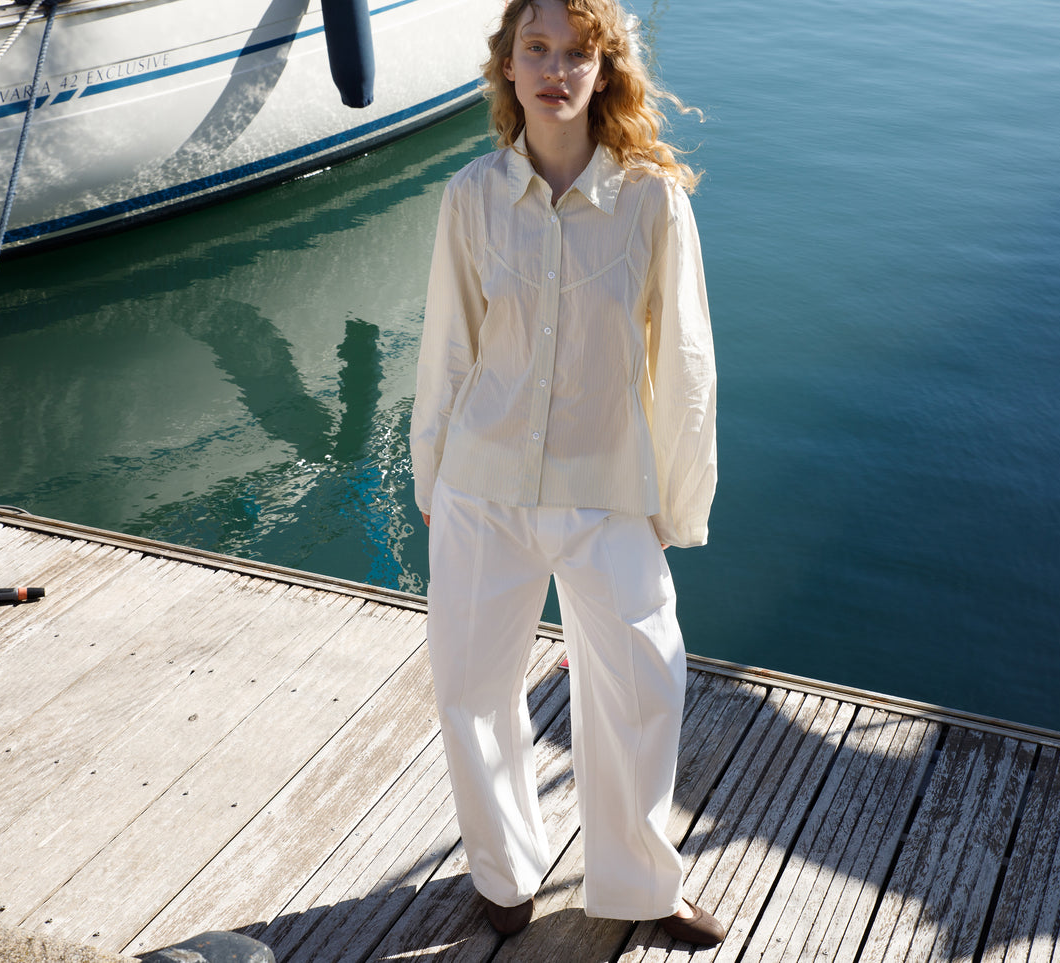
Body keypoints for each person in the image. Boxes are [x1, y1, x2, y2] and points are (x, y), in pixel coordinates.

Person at [409, 0, 721, 946]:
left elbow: (685, 358)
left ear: (603, 67)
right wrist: (434, 486)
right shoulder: (471, 195)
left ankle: (636, 884)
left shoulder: (650, 197)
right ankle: (502, 874)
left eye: (575, 52)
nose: (554, 69)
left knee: (642, 683)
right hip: (481, 484)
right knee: (472, 685)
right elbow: (447, 353)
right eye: (534, 49)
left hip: (606, 486)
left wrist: (677, 497)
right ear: (506, 66)